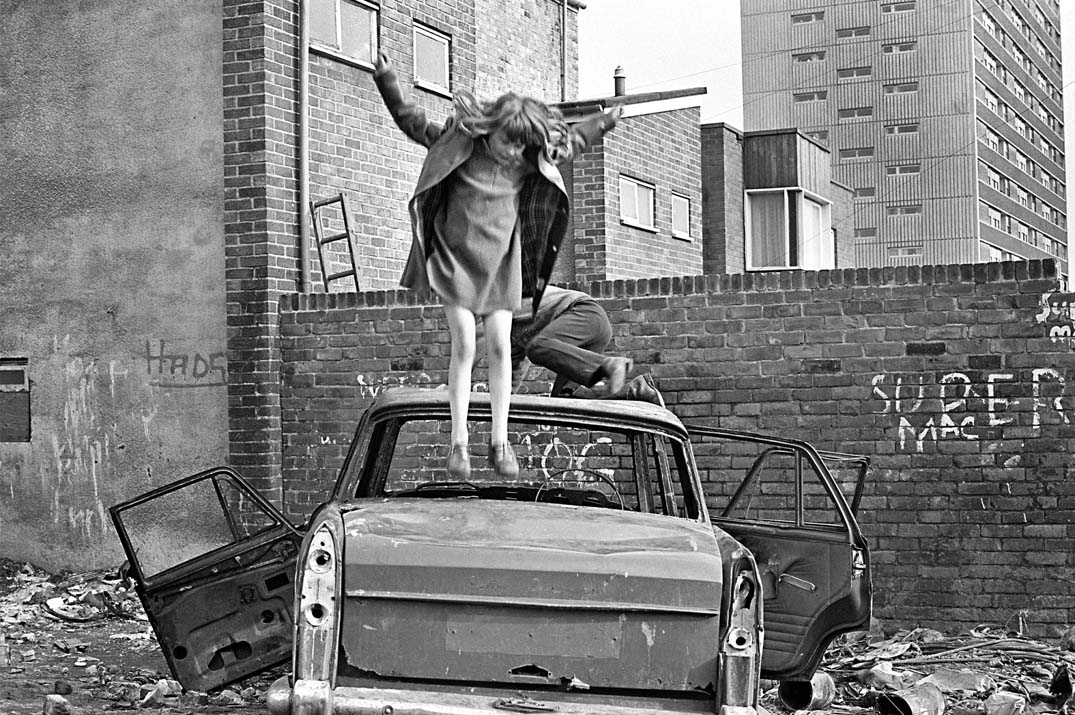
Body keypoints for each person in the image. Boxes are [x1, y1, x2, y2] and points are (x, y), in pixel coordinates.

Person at [374, 52, 621, 480]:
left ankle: (499, 442)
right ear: (491, 129)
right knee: (466, 345)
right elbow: (414, 122)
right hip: (455, 260)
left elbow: (570, 144)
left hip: (503, 264)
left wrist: (603, 122)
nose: (513, 152)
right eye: (509, 141)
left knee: (501, 347)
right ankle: (459, 444)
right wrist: (388, 82)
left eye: (522, 145)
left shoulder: (527, 159)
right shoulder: (458, 143)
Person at [510, 285, 665, 407]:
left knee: (536, 348)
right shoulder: (513, 336)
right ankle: (635, 390)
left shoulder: (501, 303)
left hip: (584, 312)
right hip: (593, 327)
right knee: (563, 401)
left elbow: (489, 340)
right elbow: (513, 374)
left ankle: (608, 365)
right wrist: (499, 418)